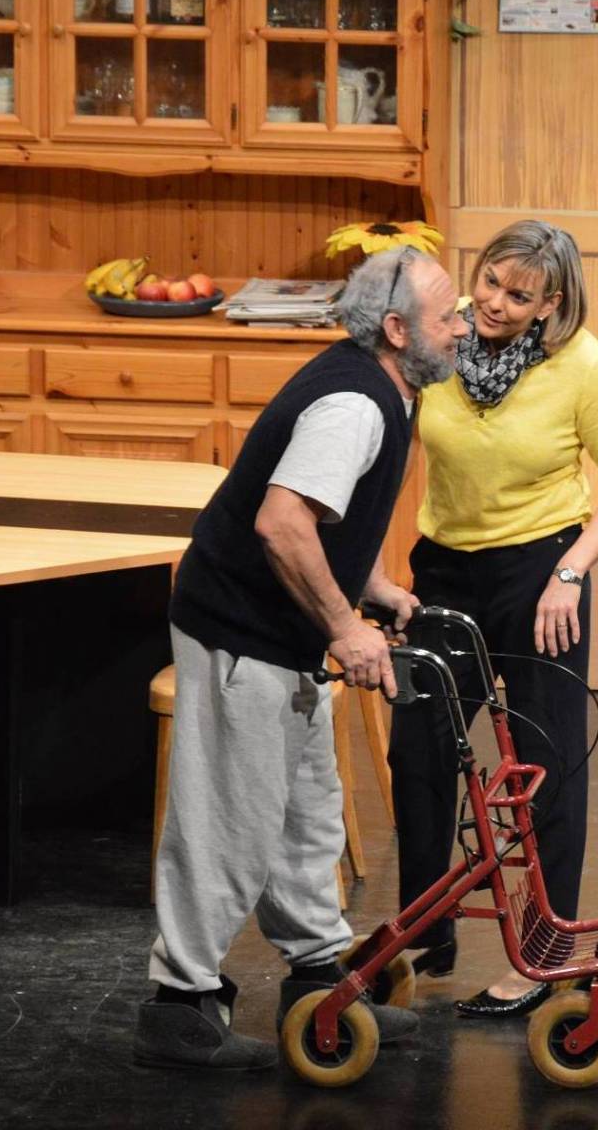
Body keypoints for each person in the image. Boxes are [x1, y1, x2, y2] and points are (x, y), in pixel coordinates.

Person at [133, 246, 468, 1070]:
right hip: (241, 631)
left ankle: (319, 980)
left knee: (306, 811)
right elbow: (283, 523)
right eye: (448, 316)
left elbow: (333, 515)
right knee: (228, 821)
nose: (463, 327)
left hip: (285, 637)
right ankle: (179, 1006)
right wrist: (346, 628)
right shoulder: (354, 404)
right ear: (398, 330)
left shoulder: (387, 386)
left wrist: (371, 585)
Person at [388, 220, 598, 1018]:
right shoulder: (443, 343)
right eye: (490, 283)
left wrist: (571, 574)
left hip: (541, 573)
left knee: (546, 760)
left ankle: (542, 953)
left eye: (519, 295)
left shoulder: (583, 365)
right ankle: (426, 926)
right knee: (419, 748)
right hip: (446, 568)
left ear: (551, 303)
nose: (496, 303)